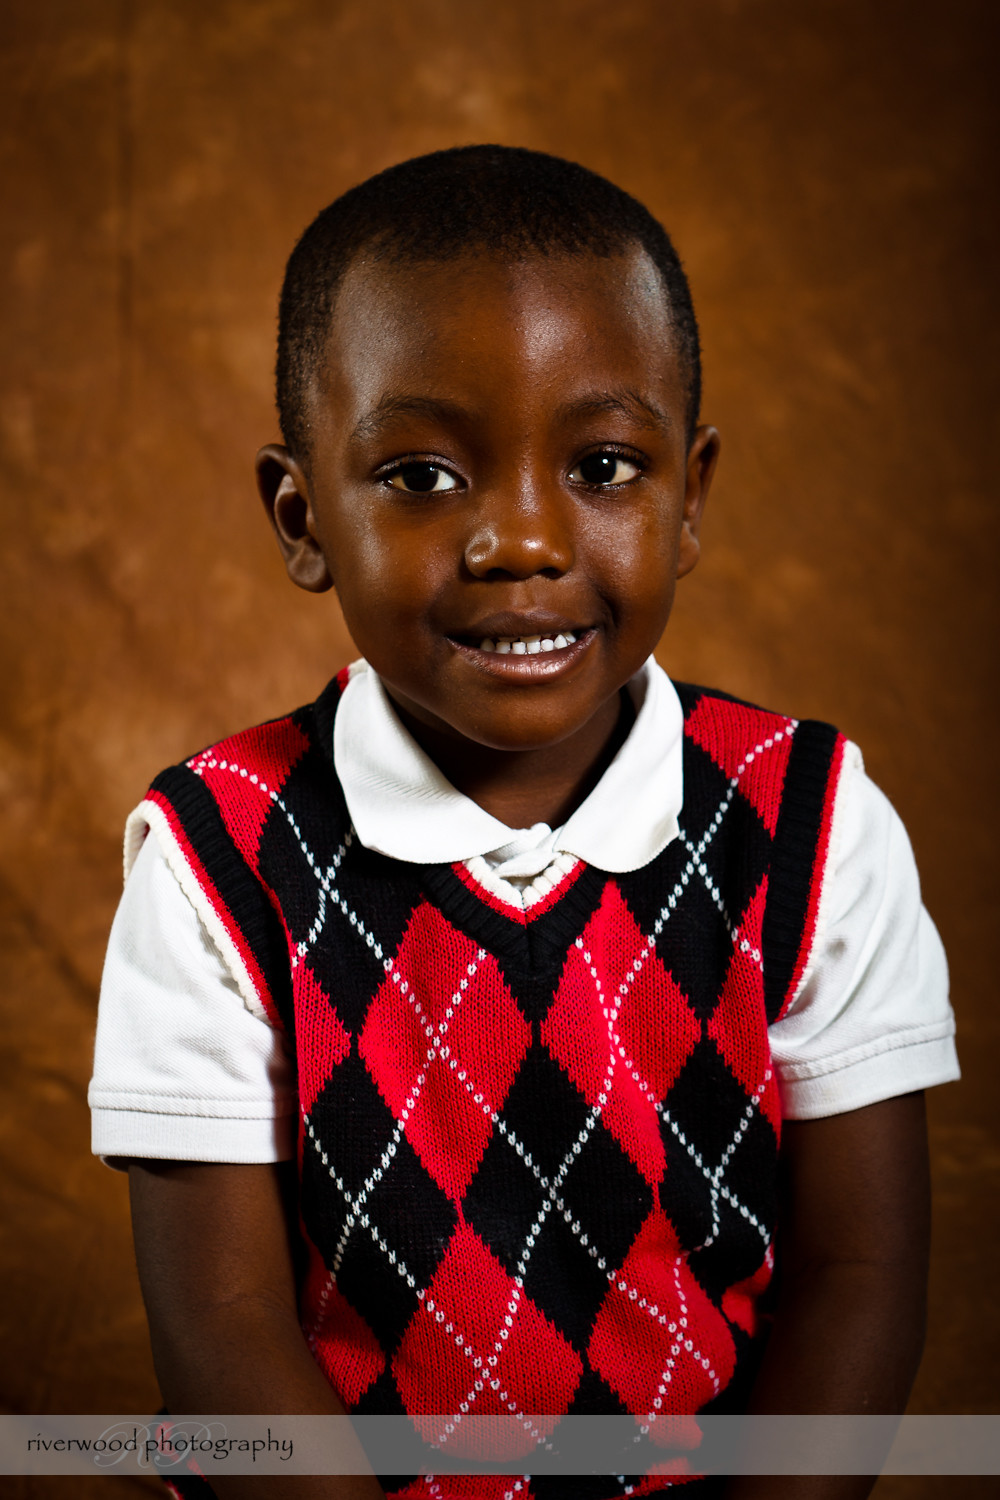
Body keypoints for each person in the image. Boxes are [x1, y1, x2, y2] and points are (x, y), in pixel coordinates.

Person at [89, 146, 959, 1500]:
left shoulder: (809, 823)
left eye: (605, 464)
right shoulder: (215, 853)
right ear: (300, 513)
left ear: (691, 501)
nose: (522, 540)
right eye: (424, 477)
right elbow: (221, 1344)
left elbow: (864, 1278)